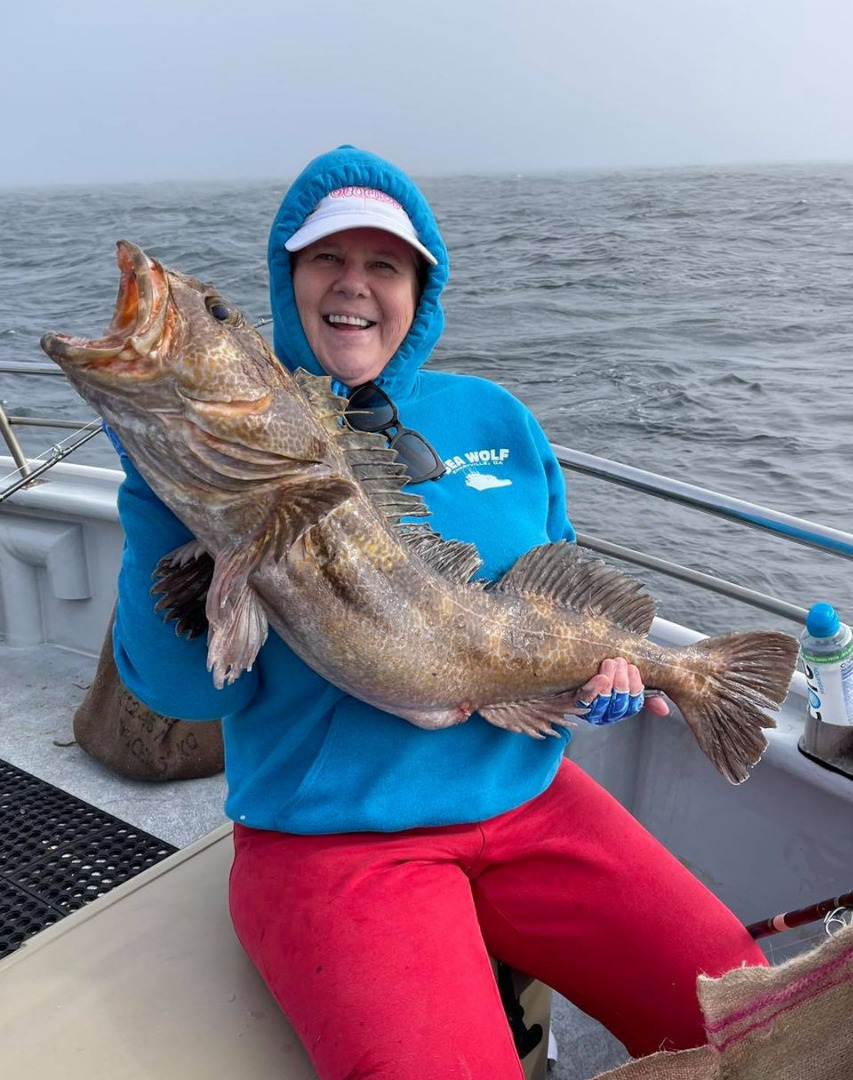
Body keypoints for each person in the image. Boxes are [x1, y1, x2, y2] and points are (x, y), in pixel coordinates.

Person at [112, 145, 768, 1080]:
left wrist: (604, 679)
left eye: (384, 265)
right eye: (325, 261)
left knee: (746, 1012)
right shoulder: (243, 463)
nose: (354, 287)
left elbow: (556, 575)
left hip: (532, 800)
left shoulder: (496, 415)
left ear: (420, 288)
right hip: (334, 846)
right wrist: (157, 489)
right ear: (286, 279)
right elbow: (186, 695)